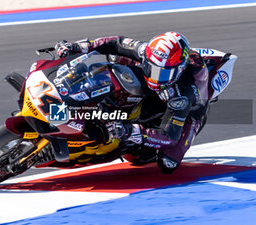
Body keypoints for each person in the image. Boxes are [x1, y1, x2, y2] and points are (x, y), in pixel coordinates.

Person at [55, 32, 209, 174]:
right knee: (116, 60)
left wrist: (130, 131)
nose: (155, 76)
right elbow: (116, 43)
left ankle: (137, 136)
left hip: (189, 112)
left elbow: (169, 137)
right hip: (159, 88)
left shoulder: (183, 95)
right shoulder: (147, 51)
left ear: (179, 70)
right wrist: (79, 47)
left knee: (168, 163)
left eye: (162, 73)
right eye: (151, 68)